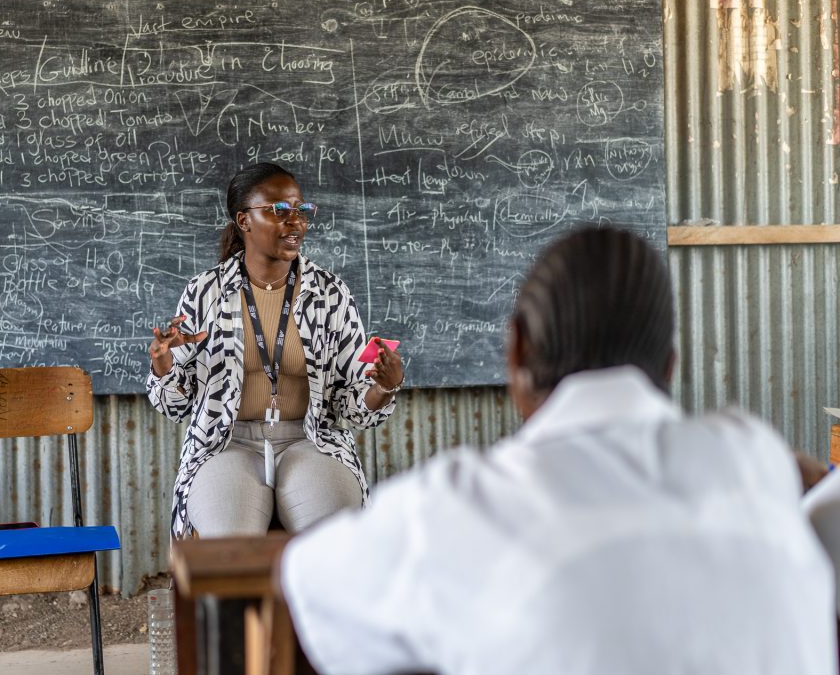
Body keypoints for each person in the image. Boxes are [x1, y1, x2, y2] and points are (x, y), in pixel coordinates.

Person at [279, 227, 837, 675]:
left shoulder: (458, 507)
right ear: (668, 365)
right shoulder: (755, 458)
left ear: (516, 349)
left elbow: (306, 580)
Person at [146, 162, 403, 538]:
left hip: (312, 440)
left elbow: (351, 407)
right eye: (279, 210)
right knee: (230, 546)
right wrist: (164, 365)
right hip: (226, 443)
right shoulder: (207, 292)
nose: (295, 221)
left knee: (333, 540)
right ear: (244, 221)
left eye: (301, 209)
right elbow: (174, 406)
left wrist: (383, 388)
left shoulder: (330, 294)